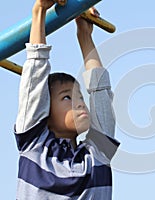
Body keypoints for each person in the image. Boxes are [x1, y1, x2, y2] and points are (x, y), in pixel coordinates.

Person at [14, 0, 119, 199]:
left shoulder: (96, 155)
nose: (80, 103)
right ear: (45, 111)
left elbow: (100, 92)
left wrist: (85, 37)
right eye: (67, 97)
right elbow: (35, 76)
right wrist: (39, 12)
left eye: (80, 97)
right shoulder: (34, 145)